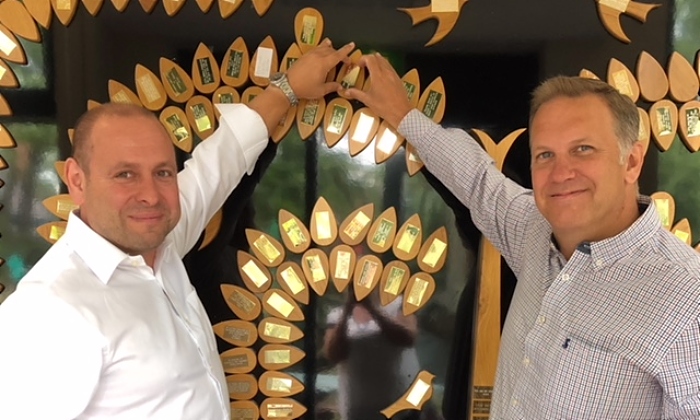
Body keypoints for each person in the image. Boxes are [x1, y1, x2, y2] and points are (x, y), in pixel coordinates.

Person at [0, 39, 354, 420]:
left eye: (163, 173)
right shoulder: (50, 309)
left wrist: (286, 89)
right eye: (125, 175)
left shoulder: (159, 245)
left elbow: (219, 163)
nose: (151, 195)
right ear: (77, 179)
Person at [343, 54, 700, 419]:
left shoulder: (688, 301)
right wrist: (404, 115)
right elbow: (478, 180)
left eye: (583, 149)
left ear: (632, 162)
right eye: (545, 154)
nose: (561, 173)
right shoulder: (534, 230)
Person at [323, 292, 421, 420]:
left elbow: (407, 338)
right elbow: (332, 354)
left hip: (400, 405)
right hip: (358, 408)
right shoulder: (337, 316)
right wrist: (348, 310)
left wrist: (373, 310)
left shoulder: (398, 305)